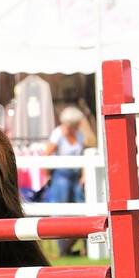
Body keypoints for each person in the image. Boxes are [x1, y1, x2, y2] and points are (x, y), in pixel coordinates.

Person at [44, 106, 88, 256]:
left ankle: (83, 246)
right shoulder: (57, 134)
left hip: (75, 176)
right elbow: (47, 154)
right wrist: (47, 175)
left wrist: (84, 175)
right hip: (61, 175)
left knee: (82, 209)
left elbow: (83, 156)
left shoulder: (80, 135)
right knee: (61, 211)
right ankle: (63, 248)